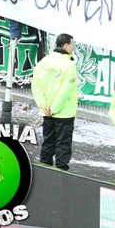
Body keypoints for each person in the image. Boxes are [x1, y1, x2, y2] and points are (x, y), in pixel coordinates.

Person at [32, 33, 78, 171]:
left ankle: (44, 170)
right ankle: (61, 173)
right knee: (63, 144)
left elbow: (35, 86)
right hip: (64, 113)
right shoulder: (69, 65)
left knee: (48, 143)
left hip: (47, 112)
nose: (73, 47)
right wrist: (55, 108)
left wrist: (44, 105)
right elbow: (65, 91)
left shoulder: (43, 62)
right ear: (65, 46)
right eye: (72, 44)